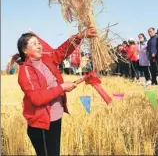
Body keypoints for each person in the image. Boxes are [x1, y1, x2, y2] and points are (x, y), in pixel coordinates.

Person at [15, 27, 97, 156]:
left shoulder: (47, 60)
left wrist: (80, 36)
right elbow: (37, 98)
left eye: (39, 43)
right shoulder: (26, 71)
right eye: (34, 44)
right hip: (41, 124)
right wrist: (62, 88)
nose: (39, 46)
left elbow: (62, 51)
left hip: (56, 118)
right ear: (25, 50)